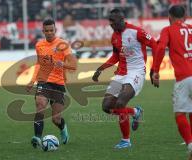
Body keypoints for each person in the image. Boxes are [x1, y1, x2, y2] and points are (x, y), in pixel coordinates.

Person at [92, 8, 157, 149]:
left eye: (113, 22)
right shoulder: (114, 36)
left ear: (122, 19)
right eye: (110, 23)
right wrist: (101, 68)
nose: (111, 25)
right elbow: (116, 56)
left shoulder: (137, 32)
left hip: (136, 72)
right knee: (106, 106)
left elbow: (155, 45)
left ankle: (126, 141)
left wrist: (154, 69)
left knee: (120, 103)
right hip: (120, 74)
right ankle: (135, 112)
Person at [26, 18, 77, 148]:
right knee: (40, 105)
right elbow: (39, 64)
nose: (49, 33)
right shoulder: (39, 45)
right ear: (43, 31)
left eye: (51, 30)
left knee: (56, 119)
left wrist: (63, 64)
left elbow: (74, 65)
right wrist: (32, 80)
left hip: (58, 84)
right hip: (44, 81)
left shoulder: (63, 44)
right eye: (46, 30)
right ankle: (37, 137)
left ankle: (63, 127)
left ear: (55, 30)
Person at [151, 5, 192, 158]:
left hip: (184, 77)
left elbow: (160, 48)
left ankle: (190, 145)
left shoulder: (168, 30)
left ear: (169, 17)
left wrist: (155, 70)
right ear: (185, 16)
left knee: (180, 113)